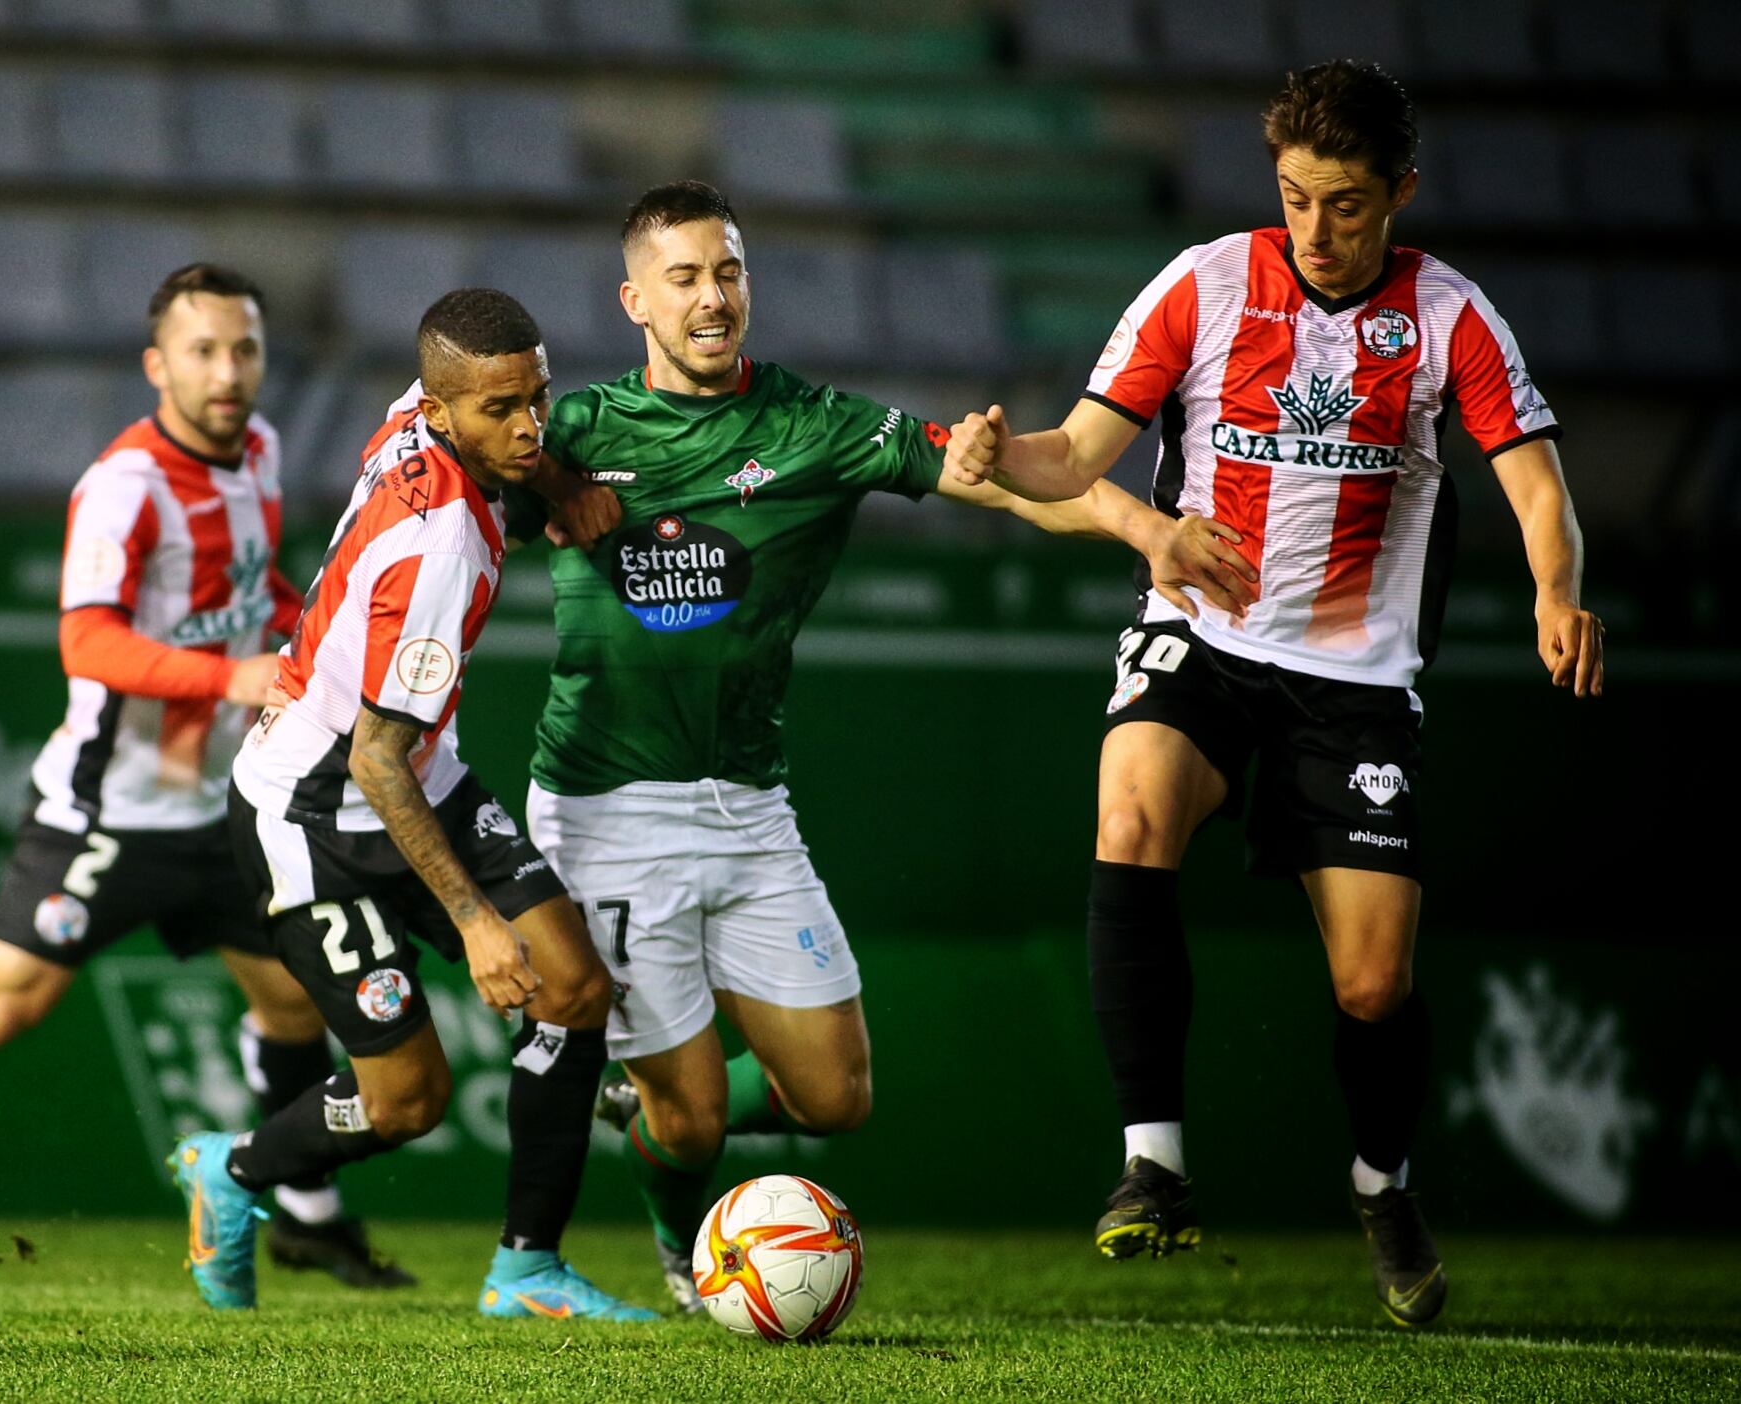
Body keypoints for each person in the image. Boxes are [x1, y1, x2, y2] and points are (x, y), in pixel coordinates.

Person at [943, 61, 1604, 1327]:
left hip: (1352, 679)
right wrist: (995, 455)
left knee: (1371, 987)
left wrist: (1553, 591)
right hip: (1199, 635)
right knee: (1128, 814)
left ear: (1398, 192)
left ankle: (1380, 1182)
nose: (1314, 228)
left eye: (1346, 203)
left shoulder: (1451, 318)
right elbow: (1068, 455)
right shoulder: (1200, 283)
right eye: (1295, 196)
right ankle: (1153, 1165)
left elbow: (1533, 487)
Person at [522, 180, 1252, 1312]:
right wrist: (550, 482)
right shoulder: (569, 432)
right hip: (607, 812)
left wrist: (1142, 524)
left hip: (750, 805)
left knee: (835, 1097)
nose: (712, 298)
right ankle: (679, 1252)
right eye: (684, 279)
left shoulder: (814, 426)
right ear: (634, 300)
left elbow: (1007, 486)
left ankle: (652, 1105)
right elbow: (444, 470)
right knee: (697, 1117)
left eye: (728, 272)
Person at [0, 264, 408, 1290]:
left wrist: (301, 634)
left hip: (224, 805)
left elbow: (251, 586)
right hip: (108, 814)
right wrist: (230, 671)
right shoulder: (124, 485)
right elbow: (86, 642)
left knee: (294, 1002)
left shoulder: (263, 451)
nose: (227, 371)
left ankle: (306, 1216)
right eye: (202, 350)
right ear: (158, 365)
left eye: (243, 348)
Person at [170, 288, 653, 1321]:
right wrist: (475, 923)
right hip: (310, 812)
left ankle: (526, 1269)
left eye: (538, 399)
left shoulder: (417, 412)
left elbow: (400, 758)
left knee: (572, 985)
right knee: (410, 1102)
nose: (526, 425)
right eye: (501, 412)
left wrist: (559, 482)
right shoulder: (441, 548)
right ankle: (234, 1170)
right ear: (440, 413)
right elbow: (373, 759)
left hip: (415, 777)